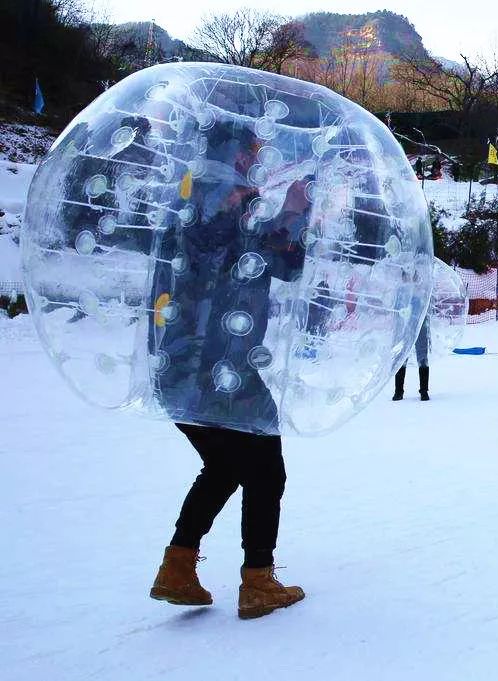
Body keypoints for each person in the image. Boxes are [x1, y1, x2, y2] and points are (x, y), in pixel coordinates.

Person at [148, 122, 304, 620]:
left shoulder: (189, 195)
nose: (257, 161)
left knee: (224, 466)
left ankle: (177, 568)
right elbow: (283, 262)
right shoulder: (224, 199)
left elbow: (260, 261)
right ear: (238, 153)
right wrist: (294, 215)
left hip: (176, 366)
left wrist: (282, 213)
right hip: (220, 367)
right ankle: (257, 581)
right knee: (265, 470)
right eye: (253, 152)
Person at [393, 316, 431, 401]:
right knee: (401, 357)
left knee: (423, 357)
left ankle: (424, 391)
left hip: (421, 321)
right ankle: (398, 391)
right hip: (404, 322)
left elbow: (429, 304)